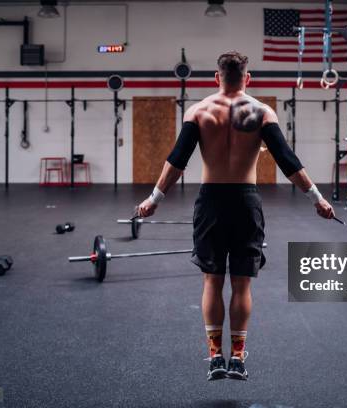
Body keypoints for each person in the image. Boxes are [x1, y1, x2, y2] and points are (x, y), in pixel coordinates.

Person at [136, 51, 335, 381]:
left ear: (217, 77)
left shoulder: (200, 111)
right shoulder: (260, 112)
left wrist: (154, 198)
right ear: (248, 78)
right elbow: (287, 160)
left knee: (212, 281)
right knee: (241, 284)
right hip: (245, 200)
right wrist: (317, 198)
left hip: (211, 200)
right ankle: (238, 358)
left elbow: (177, 160)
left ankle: (215, 357)